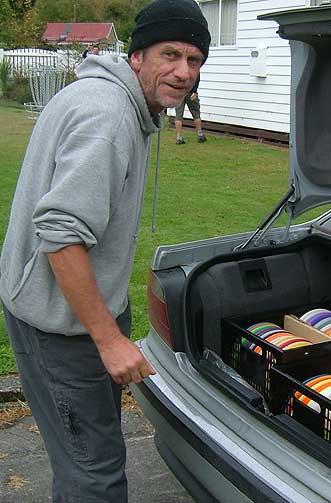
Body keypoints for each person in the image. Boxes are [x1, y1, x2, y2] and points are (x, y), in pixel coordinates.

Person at [0, 0, 210, 502]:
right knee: (94, 476)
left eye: (195, 60)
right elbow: (61, 233)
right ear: (137, 57)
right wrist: (109, 338)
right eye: (170, 55)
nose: (184, 73)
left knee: (85, 460)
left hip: (65, 313)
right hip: (61, 328)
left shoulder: (108, 98)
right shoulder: (108, 114)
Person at [175, 74, 207, 144]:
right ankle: (200, 135)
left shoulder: (179, 67)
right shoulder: (193, 67)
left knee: (178, 116)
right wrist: (194, 92)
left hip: (179, 93)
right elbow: (197, 79)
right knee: (196, 114)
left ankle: (179, 138)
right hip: (191, 93)